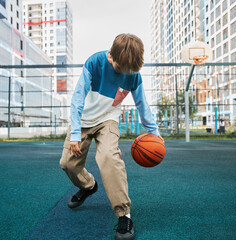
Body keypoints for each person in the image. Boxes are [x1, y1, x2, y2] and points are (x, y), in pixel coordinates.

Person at [59, 33, 162, 240]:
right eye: (119, 68)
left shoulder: (133, 74)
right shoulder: (94, 63)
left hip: (109, 119)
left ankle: (125, 215)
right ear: (110, 56)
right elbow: (78, 98)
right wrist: (76, 134)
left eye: (128, 71)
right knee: (68, 164)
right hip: (84, 119)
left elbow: (142, 105)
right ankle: (88, 186)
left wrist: (155, 134)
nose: (124, 73)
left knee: (108, 157)